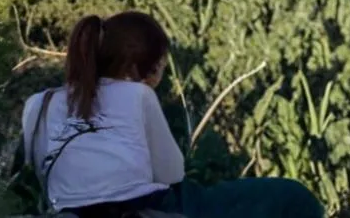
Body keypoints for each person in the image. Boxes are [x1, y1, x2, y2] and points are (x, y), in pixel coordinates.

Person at [21, 12, 324, 218]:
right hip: (143, 209)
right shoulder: (138, 95)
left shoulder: (39, 103)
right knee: (292, 196)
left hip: (71, 212)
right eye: (161, 66)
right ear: (141, 67)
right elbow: (171, 173)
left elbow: (41, 171)